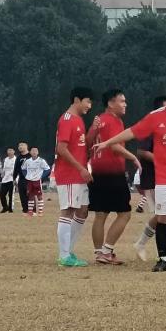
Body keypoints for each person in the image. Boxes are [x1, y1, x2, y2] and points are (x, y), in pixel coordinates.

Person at [95, 86, 166, 272]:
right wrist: (108, 142)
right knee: (163, 217)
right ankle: (162, 259)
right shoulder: (155, 117)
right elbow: (132, 131)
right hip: (165, 177)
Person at [86, 89, 142, 265]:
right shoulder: (114, 120)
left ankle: (99, 253)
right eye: (122, 101)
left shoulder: (99, 120)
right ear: (111, 103)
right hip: (112, 172)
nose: (125, 104)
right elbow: (114, 146)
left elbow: (88, 142)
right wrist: (133, 158)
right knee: (124, 213)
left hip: (97, 171)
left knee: (100, 214)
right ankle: (107, 251)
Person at [131, 96, 166, 263]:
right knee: (163, 214)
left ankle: (162, 248)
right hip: (153, 178)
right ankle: (142, 244)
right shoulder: (151, 127)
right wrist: (163, 159)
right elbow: (142, 151)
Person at [53, 87, 94, 267]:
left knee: (83, 210)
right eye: (88, 101)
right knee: (68, 211)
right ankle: (64, 256)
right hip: (69, 174)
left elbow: (80, 147)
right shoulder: (67, 119)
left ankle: (68, 251)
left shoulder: (79, 120)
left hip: (79, 174)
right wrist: (80, 168)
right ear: (77, 100)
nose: (89, 106)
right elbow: (61, 149)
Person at [21, 147, 50, 216]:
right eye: (33, 151)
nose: (34, 152)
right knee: (30, 196)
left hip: (37, 181)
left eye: (36, 151)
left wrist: (41, 176)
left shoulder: (41, 161)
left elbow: (48, 169)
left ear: (38, 152)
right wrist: (26, 176)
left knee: (39, 196)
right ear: (30, 152)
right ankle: (30, 212)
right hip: (30, 181)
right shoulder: (27, 161)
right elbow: (23, 169)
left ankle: (40, 212)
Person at [14, 142, 29, 211]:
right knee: (22, 196)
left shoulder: (30, 156)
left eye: (22, 145)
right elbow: (16, 169)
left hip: (30, 179)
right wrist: (14, 178)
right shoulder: (18, 157)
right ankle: (25, 210)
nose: (20, 147)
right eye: (19, 145)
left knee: (30, 195)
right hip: (21, 179)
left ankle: (32, 209)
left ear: (26, 146)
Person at [0, 147, 16, 212]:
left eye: (11, 150)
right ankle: (5, 207)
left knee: (11, 195)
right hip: (5, 179)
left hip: (12, 179)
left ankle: (10, 208)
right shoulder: (6, 159)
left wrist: (16, 178)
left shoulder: (16, 159)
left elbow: (18, 170)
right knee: (2, 194)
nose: (9, 152)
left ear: (14, 151)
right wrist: (2, 174)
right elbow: (4, 168)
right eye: (8, 150)